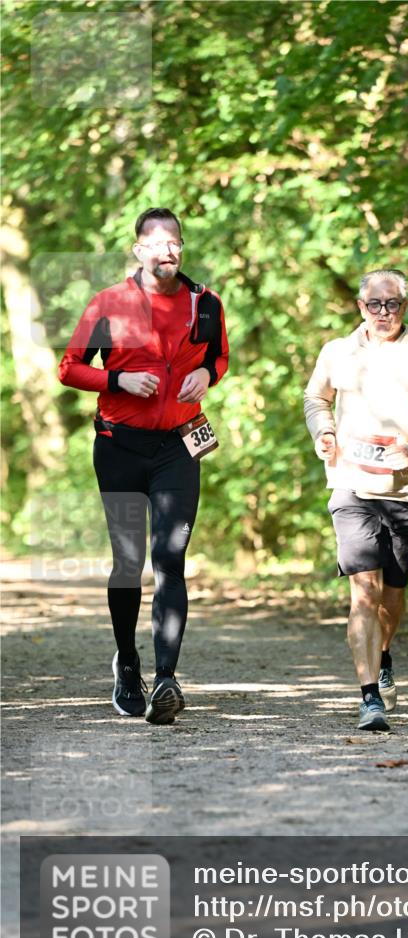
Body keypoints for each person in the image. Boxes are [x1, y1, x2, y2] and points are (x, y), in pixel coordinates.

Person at [58, 208, 228, 724]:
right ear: (139, 251)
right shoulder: (108, 304)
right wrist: (118, 382)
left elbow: (219, 357)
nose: (167, 250)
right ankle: (128, 663)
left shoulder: (207, 302)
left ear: (182, 247)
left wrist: (206, 375)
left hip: (178, 446)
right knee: (129, 562)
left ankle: (167, 680)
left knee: (171, 558)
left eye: (174, 241)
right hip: (120, 447)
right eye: (155, 243)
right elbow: (69, 368)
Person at [304, 268, 408, 732]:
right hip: (350, 486)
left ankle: (384, 653)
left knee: (391, 599)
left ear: (404, 308)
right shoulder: (337, 352)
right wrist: (324, 432)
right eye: (374, 304)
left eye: (392, 304)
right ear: (360, 306)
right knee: (364, 592)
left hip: (404, 494)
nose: (383, 313)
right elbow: (316, 398)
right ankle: (369, 696)